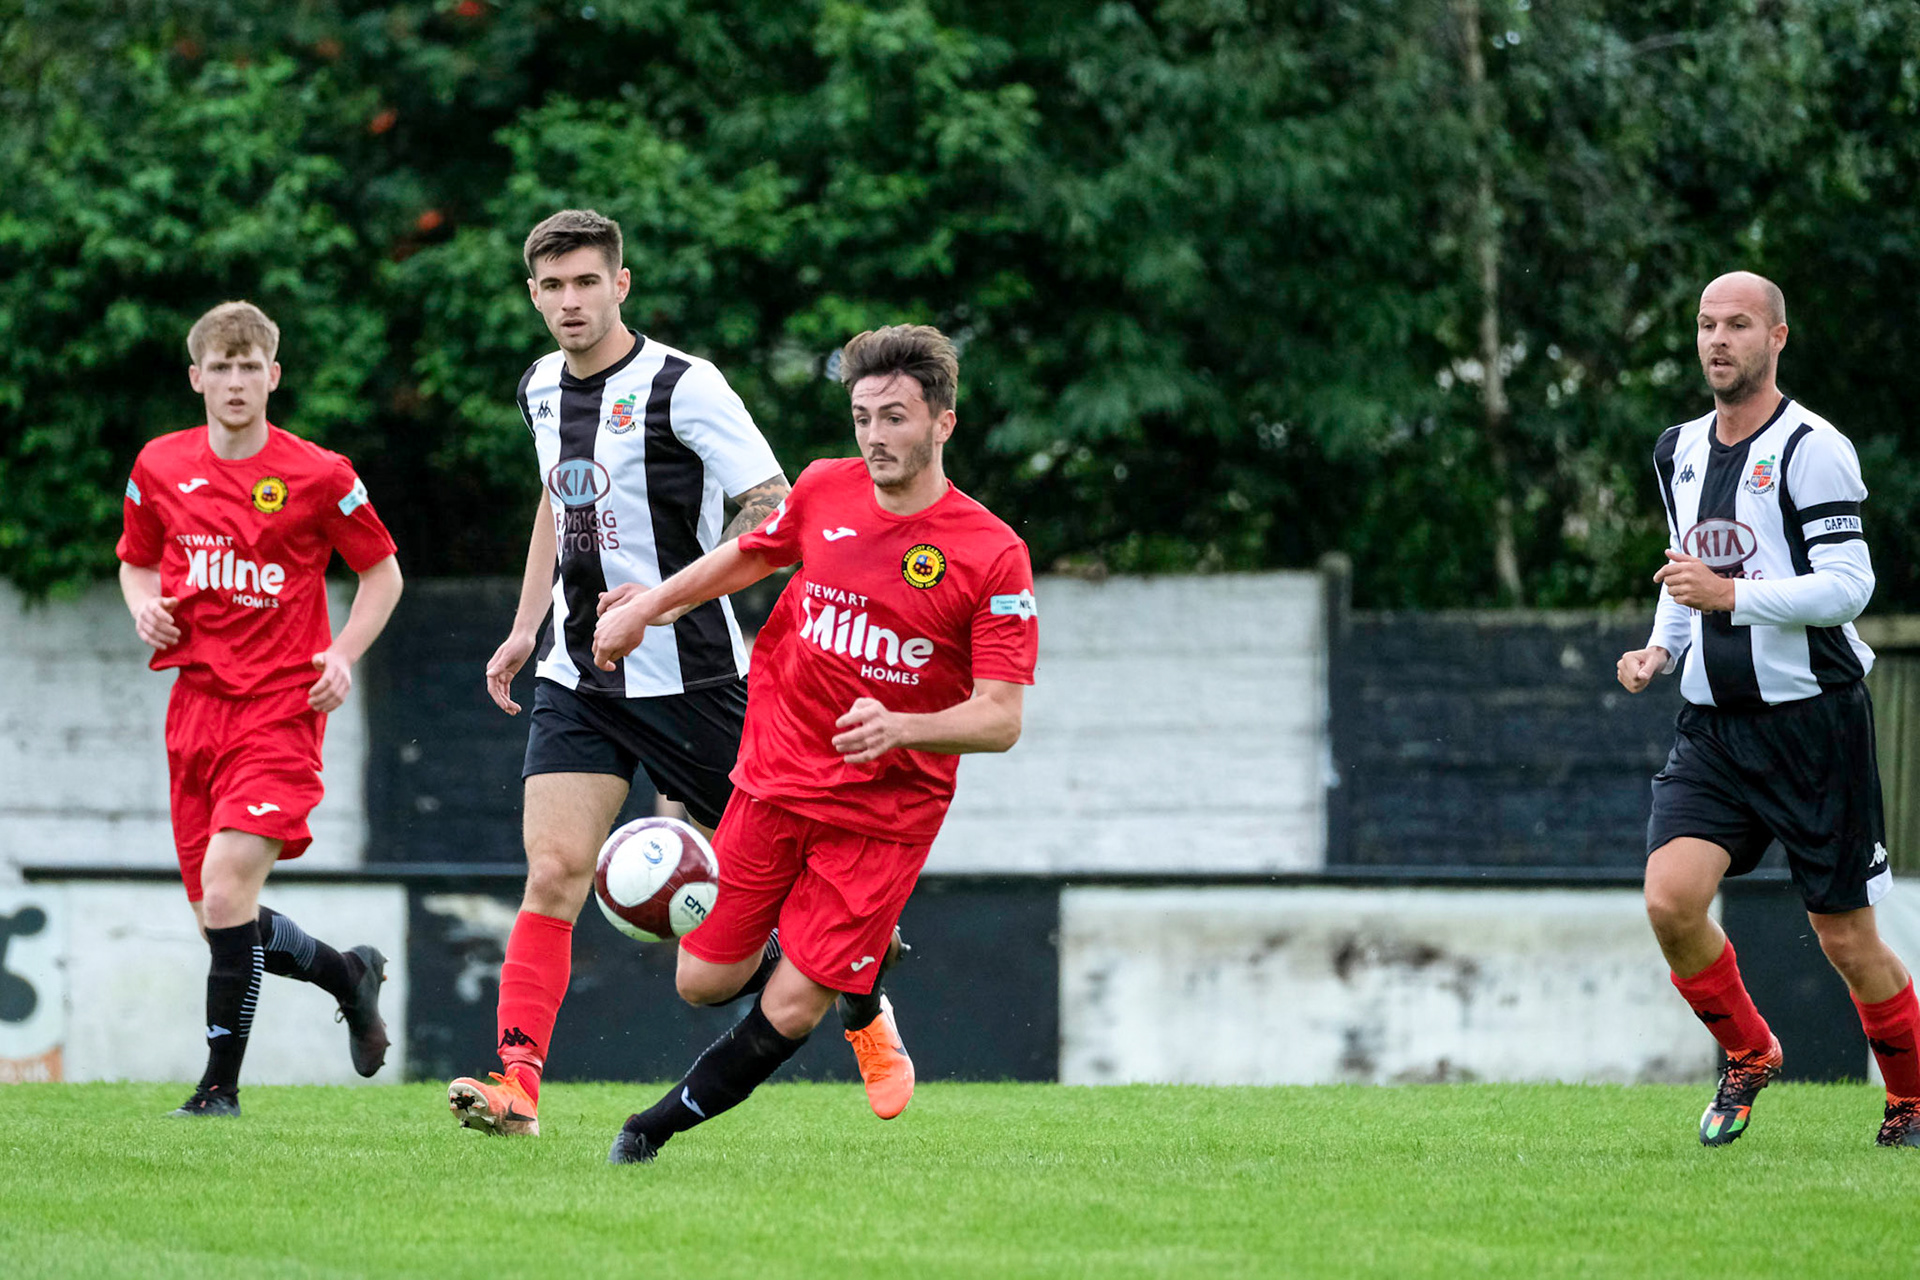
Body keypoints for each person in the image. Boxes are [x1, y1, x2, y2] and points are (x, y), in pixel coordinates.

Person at [589, 322, 1038, 1165]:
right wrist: (652, 607)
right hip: (775, 776)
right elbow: (747, 557)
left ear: (944, 421)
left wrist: (902, 726)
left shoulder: (991, 554)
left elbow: (1001, 718)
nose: (875, 436)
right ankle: (860, 981)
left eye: (896, 417)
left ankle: (649, 1132)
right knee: (701, 980)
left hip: (884, 817)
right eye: (864, 416)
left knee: (793, 1006)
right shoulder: (826, 490)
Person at [449, 208, 810, 1137]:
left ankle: (866, 1017)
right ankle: (518, 1087)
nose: (570, 302)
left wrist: (666, 601)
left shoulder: (684, 384)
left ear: (621, 284)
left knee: (802, 880)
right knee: (555, 869)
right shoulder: (537, 387)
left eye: (586, 283)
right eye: (552, 287)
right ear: (533, 295)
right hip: (576, 677)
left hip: (693, 682)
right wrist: (526, 628)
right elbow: (553, 500)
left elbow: (771, 513)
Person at [1617, 271, 1919, 1149]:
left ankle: (1909, 1100)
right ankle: (1749, 1052)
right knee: (1671, 901)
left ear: (1776, 338)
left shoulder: (1812, 448)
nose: (1718, 340)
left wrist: (1732, 595)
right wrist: (1661, 648)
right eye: (1706, 324)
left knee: (1846, 939)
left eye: (1738, 325)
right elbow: (1687, 572)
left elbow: (1850, 587)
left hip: (1812, 726)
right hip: (1712, 732)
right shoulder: (1677, 446)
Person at [116, 301, 404, 1117]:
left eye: (251, 367)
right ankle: (348, 973)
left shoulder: (321, 475)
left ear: (273, 377)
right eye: (222, 366)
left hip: (282, 706)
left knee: (229, 883)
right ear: (196, 377)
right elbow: (136, 564)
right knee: (220, 914)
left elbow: (383, 574)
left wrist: (341, 655)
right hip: (195, 708)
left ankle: (217, 1092)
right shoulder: (159, 466)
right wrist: (144, 605)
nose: (236, 381)